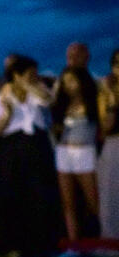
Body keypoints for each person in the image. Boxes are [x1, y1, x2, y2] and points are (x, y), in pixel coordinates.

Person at [0, 55, 60, 257]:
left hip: (37, 145)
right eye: (30, 73)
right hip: (12, 148)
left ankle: (41, 244)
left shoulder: (38, 91)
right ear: (17, 75)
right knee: (13, 195)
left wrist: (28, 86)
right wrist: (8, 114)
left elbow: (49, 101)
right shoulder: (0, 97)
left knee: (40, 194)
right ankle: (14, 244)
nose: (34, 76)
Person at [52, 66, 100, 240]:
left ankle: (105, 237)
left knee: (93, 200)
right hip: (64, 152)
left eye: (72, 81)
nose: (68, 85)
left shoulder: (94, 101)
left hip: (84, 151)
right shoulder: (62, 104)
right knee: (68, 203)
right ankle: (74, 243)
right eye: (65, 82)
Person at [97, 49, 119, 239]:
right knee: (111, 194)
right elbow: (106, 127)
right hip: (114, 144)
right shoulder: (106, 92)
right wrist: (111, 97)